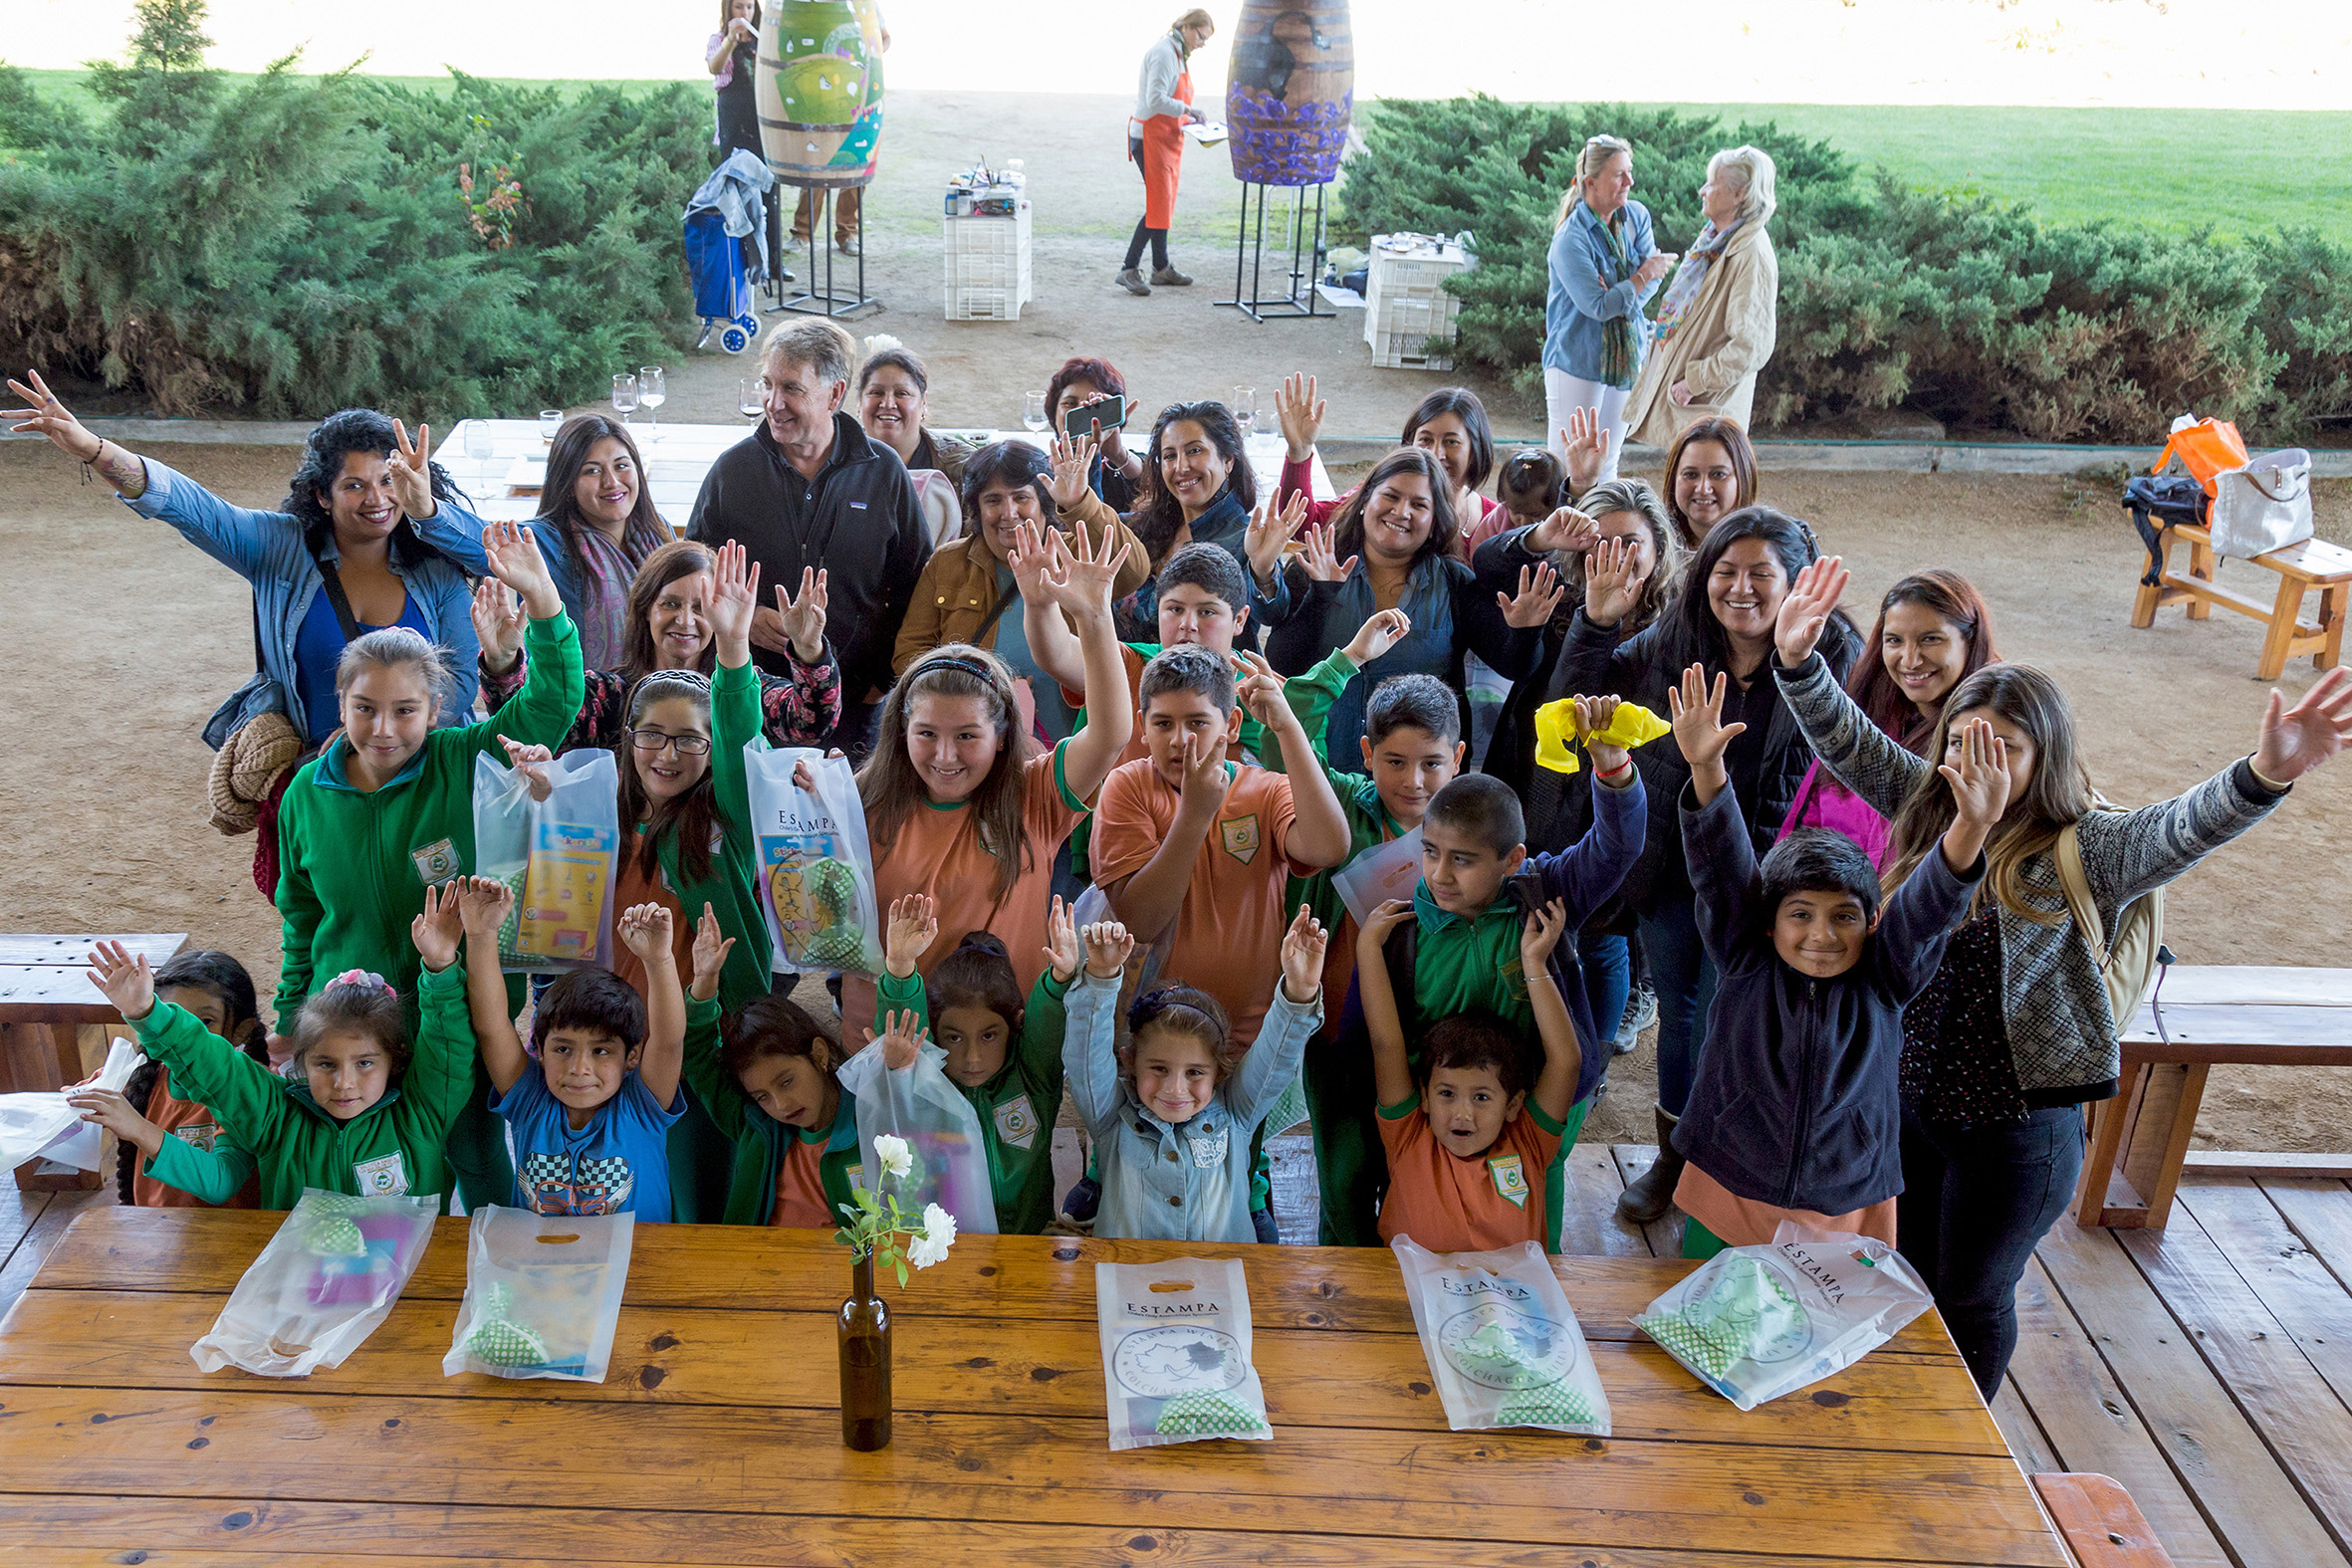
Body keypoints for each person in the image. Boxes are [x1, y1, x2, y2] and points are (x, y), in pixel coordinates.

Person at [1774, 560, 2352, 1399]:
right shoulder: (1924, 803)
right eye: (1964, 743)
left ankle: (1963, 1436)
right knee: (1907, 1269)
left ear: (2044, 754)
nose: (1979, 764)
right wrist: (1798, 662)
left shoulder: (2088, 844)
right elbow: (1843, 734)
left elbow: (2183, 827)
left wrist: (2264, 773)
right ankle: (1903, 1409)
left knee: (1973, 1291)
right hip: (1911, 1104)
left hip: (2019, 1131)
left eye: (2003, 748)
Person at [271, 520, 582, 1212]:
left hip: (460, 1020)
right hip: (353, 1031)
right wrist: (293, 1016)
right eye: (365, 708)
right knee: (371, 1183)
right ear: (341, 704)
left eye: (405, 710)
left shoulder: (463, 760)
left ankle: (493, 1282)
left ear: (435, 708)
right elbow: (301, 918)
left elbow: (554, 703)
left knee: (477, 1160)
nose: (384, 729)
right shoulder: (304, 796)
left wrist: (543, 601)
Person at [1559, 507, 1856, 1225]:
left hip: (1768, 880)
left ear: (1797, 583)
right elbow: (1571, 708)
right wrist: (1596, 623)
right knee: (1683, 1011)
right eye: (1726, 572)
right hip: (1673, 869)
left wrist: (1799, 661)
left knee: (1734, 1015)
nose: (1742, 589)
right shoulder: (1676, 641)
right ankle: (1674, 1155)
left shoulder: (1833, 655)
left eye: (1762, 574)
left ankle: (1726, 1162)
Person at [1670, 663, 2001, 1257]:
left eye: (1843, 916)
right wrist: (1705, 768)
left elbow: (1930, 906)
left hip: (1845, 1193)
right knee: (1707, 1318)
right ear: (1768, 924)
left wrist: (1972, 824)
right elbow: (1721, 870)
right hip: (1732, 1179)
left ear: (1873, 923)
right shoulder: (1747, 956)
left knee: (1825, 1333)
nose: (1821, 935)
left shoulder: (1885, 976)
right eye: (1801, 914)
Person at [5, 375, 490, 753]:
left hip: (424, 771)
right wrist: (93, 448)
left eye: (389, 480)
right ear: (323, 495)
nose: (378, 499)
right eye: (355, 485)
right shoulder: (278, 549)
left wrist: (377, 748)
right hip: (316, 785)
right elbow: (188, 506)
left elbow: (461, 682)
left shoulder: (434, 564)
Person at [1335, 719, 1645, 1250]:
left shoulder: (1546, 893)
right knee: (1425, 1203)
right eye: (1430, 852)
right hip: (1437, 1108)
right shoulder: (1399, 929)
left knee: (1530, 1197)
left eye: (1463, 860)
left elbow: (1616, 849)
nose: (1439, 876)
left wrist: (1613, 770)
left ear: (1512, 860)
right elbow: (1375, 1042)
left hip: (1539, 1102)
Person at [838, 518, 1136, 1034]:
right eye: (927, 733)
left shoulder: (1035, 796)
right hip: (887, 1035)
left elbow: (1111, 732)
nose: (945, 755)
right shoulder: (859, 800)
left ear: (1001, 736)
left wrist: (1093, 617)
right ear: (901, 729)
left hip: (1002, 1044)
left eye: (968, 736)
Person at [83, 907, 477, 1209]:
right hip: (301, 1293)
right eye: (325, 1064)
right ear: (300, 1062)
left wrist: (441, 969)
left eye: (365, 1063)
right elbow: (216, 1066)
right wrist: (147, 1013)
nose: (344, 1082)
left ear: (396, 1059)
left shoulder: (421, 1115)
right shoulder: (276, 1116)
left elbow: (448, 1047)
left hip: (411, 1286)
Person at [1483, 480, 1689, 1056]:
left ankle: (1589, 1059)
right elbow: (1562, 709)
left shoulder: (1674, 625)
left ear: (1657, 550)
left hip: (1625, 797)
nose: (1614, 555)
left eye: (1631, 542)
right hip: (1547, 788)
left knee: (1603, 938)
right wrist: (1592, 618)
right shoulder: (1556, 602)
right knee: (1544, 920)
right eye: (1600, 540)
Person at [1264, 656, 1464, 1245]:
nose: (1414, 782)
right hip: (1338, 1041)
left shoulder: (1471, 827)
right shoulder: (1345, 804)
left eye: (1432, 763)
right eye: (1394, 762)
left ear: (1458, 758)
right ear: (1366, 752)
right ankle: (1346, 1308)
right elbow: (1288, 739)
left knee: (1420, 1182)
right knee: (1346, 1183)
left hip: (1431, 1042)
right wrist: (1342, 663)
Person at [686, 321, 932, 756]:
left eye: (791, 389)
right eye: (768, 384)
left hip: (859, 701)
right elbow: (692, 569)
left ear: (835, 395)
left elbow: (917, 585)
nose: (773, 403)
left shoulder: (884, 472)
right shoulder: (732, 472)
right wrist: (746, 614)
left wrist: (884, 678)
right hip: (755, 698)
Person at [1093, 644, 1354, 1047]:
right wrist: (1195, 815)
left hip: (1251, 1035)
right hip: (1156, 1035)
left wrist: (1287, 728)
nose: (1181, 740)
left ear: (1232, 724)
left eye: (1197, 722)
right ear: (1142, 727)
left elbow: (1328, 849)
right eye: (1163, 724)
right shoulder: (1128, 786)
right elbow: (1140, 922)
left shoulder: (1263, 788)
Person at [1249, 445, 1556, 771]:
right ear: (1366, 498)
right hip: (1315, 771)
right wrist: (1323, 596)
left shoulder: (1453, 583)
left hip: (1415, 784)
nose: (1402, 512)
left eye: (1419, 504)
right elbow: (1283, 664)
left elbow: (1516, 665)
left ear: (1436, 517)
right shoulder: (1318, 564)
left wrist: (1526, 631)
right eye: (1391, 497)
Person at [1062, 909, 1326, 1243]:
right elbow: (1084, 1055)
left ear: (1219, 1071)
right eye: (1158, 1068)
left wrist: (1299, 992)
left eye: (1195, 1072)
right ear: (1130, 1061)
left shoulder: (1236, 1114)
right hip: (1129, 1285)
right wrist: (1101, 978)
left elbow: (1278, 1055)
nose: (1175, 1088)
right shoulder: (1112, 1118)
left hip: (1221, 1288)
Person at [474, 537, 841, 758]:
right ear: (645, 609)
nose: (685, 620)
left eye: (700, 607)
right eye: (670, 604)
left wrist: (810, 650)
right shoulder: (608, 695)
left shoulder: (743, 693)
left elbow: (810, 724)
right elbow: (525, 726)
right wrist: (503, 661)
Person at [1356, 898, 1584, 1253]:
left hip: (1511, 1304)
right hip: (1413, 1302)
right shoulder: (1409, 1136)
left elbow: (1566, 1061)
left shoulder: (1528, 1141)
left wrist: (1534, 963)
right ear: (1426, 1097)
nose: (1462, 1114)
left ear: (1513, 1104)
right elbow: (1386, 1044)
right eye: (1447, 1093)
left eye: (1481, 1097)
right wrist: (1368, 947)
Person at [455, 880, 689, 1220]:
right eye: (563, 1049)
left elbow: (668, 1041)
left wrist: (658, 960)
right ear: (538, 1048)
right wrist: (479, 935)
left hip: (638, 1269)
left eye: (601, 1051)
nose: (580, 1068)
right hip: (540, 1268)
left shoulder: (641, 1108)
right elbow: (492, 1027)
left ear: (632, 1057)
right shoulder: (530, 1101)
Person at [891, 442, 1146, 741]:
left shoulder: (1073, 553)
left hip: (1073, 740)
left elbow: (1133, 571)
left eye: (1021, 497)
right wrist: (970, 686)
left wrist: (1080, 503)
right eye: (993, 500)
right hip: (975, 742)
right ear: (977, 507)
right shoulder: (949, 562)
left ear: (1042, 502)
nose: (1008, 513)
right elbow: (909, 654)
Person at [872, 895, 1077, 1234]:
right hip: (947, 1242)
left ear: (1015, 1027)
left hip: (1025, 1239)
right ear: (935, 1034)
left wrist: (1060, 980)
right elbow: (905, 1031)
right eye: (953, 1038)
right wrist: (899, 969)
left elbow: (1049, 1023)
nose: (972, 1058)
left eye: (988, 1036)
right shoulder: (929, 1083)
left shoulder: (1034, 1075)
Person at [1780, 570, 2000, 869]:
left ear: (1970, 640)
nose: (1910, 660)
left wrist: (1801, 669)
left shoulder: (1995, 737)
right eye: (1894, 640)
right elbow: (1803, 834)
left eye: (1931, 639)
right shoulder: (1869, 710)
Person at [427, 415, 672, 672]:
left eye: (621, 465)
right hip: (578, 701)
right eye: (592, 470)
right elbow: (481, 540)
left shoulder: (657, 531)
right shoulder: (549, 542)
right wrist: (427, 509)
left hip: (658, 695)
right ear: (568, 484)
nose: (611, 481)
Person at [682, 913, 864, 1226]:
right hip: (759, 1264)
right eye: (761, 1096)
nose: (780, 1105)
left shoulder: (867, 1121)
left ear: (819, 1054)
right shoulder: (755, 1125)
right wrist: (703, 986)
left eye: (787, 1081)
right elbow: (698, 1058)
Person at [70, 950, 270, 1210]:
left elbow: (221, 1183)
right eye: (172, 1019)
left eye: (204, 1022)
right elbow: (78, 1113)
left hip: (231, 1240)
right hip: (158, 1233)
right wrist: (67, 1110)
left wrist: (138, 1128)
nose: (183, 1036)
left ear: (240, 1030)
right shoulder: (140, 1074)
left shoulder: (249, 1089)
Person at [1623, 146, 1780, 451]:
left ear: (1740, 194)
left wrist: (1694, 382)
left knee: (1702, 493)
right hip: (1692, 409)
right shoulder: (1714, 239)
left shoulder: (1750, 254)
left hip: (1707, 410)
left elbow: (1751, 347)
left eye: (1712, 184)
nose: (1701, 190)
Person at [1057, 401, 1256, 637]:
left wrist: (1264, 571)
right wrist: (1091, 457)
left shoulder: (1248, 537)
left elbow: (1274, 612)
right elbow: (1096, 539)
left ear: (1228, 461)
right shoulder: (1146, 525)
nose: (1181, 467)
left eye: (1195, 450)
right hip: (1125, 668)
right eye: (1170, 456)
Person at [1544, 134, 1673, 485]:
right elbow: (1597, 306)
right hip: (1577, 360)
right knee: (1566, 461)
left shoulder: (1636, 217)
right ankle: (1556, 535)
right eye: (1619, 175)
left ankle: (1598, 536)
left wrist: (1625, 290)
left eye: (1629, 172)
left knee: (1609, 459)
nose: (1629, 182)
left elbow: (1654, 283)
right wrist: (1640, 276)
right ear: (1591, 183)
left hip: (1625, 359)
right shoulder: (1571, 239)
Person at [1275, 376, 1510, 555]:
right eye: (1425, 440)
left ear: (1476, 450)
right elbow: (1305, 526)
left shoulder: (1499, 522)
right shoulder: (1381, 496)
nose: (1436, 454)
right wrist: (1300, 451)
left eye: (1451, 442)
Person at [1564, 408, 1757, 553]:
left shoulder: (1768, 548)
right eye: (1690, 474)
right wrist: (1582, 486)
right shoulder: (1650, 539)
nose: (1703, 488)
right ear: (1673, 478)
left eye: (1718, 475)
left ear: (1743, 477)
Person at [1119, 9, 1215, 295]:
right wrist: (1188, 110)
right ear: (1186, 27)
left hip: (1166, 137)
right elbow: (1156, 99)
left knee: (1164, 203)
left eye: (1205, 40)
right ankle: (1128, 269)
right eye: (1200, 36)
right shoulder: (1164, 53)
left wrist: (1188, 121)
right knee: (1157, 205)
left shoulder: (1178, 53)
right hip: (1149, 137)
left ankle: (1161, 269)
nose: (1201, 43)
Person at [856, 336, 984, 546]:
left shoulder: (962, 466)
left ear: (923, 404)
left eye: (902, 394)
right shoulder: (834, 461)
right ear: (859, 403)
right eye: (876, 392)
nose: (888, 403)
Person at [790, 6, 890, 252]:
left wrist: (872, 55)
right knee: (815, 159)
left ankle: (847, 234)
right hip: (822, 88)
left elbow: (885, 37)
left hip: (859, 89)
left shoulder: (867, 5)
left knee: (855, 161)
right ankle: (802, 233)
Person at [1048, 355, 1148, 512]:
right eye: (1070, 403)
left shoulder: (1118, 467)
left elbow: (1159, 495)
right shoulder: (1040, 472)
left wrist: (1118, 454)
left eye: (1095, 406)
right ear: (1054, 413)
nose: (1081, 412)